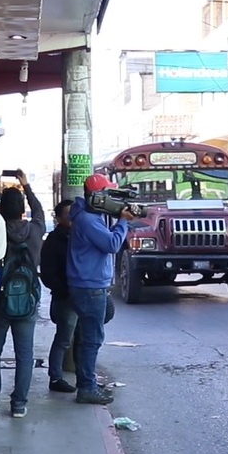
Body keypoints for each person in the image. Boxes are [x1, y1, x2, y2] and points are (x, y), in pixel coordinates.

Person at [0, 171, 45, 418]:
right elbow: (39, 211)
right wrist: (26, 186)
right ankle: (19, 405)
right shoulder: (36, 230)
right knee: (25, 355)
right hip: (28, 300)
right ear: (23, 210)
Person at [66, 174, 132, 406]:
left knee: (90, 333)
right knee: (91, 339)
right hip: (89, 285)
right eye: (108, 193)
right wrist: (123, 221)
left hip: (89, 284)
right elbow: (112, 244)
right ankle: (87, 387)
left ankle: (87, 379)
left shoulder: (91, 216)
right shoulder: (88, 220)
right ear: (97, 197)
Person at [41, 200, 78, 393]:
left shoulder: (80, 235)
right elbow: (48, 274)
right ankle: (55, 377)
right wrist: (64, 290)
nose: (72, 217)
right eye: (68, 214)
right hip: (65, 298)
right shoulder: (54, 241)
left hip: (81, 295)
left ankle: (84, 377)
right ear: (58, 218)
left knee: (82, 338)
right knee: (63, 339)